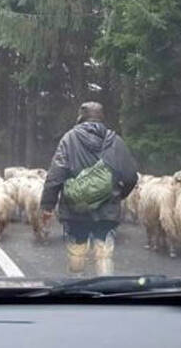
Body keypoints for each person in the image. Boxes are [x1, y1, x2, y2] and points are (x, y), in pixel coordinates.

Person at [40, 102, 139, 276]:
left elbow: (56, 174)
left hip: (76, 209)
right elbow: (131, 176)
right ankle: (105, 289)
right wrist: (120, 196)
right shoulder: (115, 141)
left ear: (80, 117)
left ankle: (77, 287)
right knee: (104, 251)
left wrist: (47, 206)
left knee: (77, 248)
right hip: (107, 208)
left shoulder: (69, 139)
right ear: (102, 118)